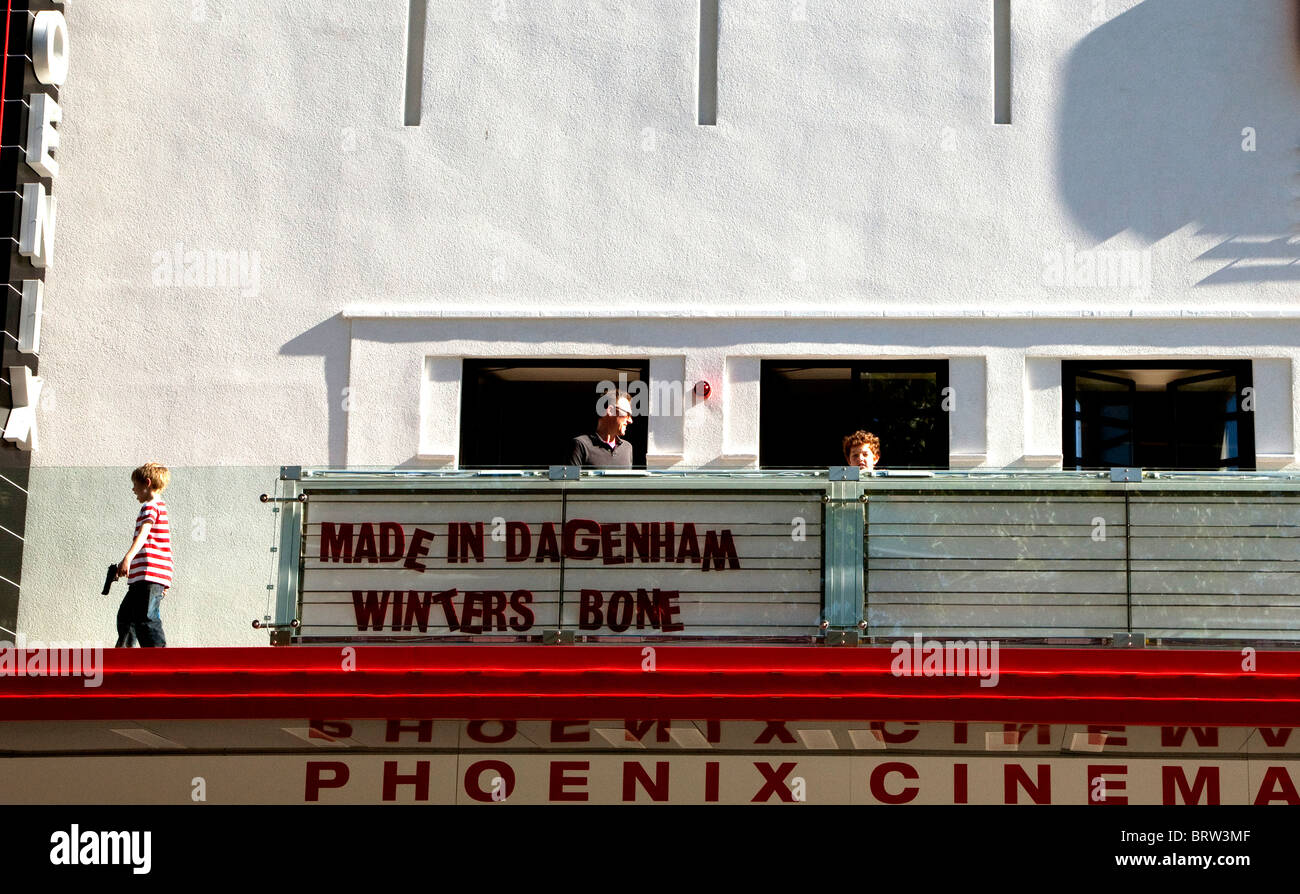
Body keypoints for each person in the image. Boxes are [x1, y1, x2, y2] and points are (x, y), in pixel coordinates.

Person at [114, 462, 173, 647]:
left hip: (150, 575)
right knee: (127, 616)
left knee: (146, 618)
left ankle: (158, 658)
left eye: (135, 485)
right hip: (144, 577)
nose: (133, 489)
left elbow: (144, 534)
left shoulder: (151, 506)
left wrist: (128, 558)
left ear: (147, 483)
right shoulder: (156, 507)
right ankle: (124, 655)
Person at [570, 389, 634, 467]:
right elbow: (570, 479)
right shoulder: (581, 445)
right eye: (627, 414)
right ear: (610, 410)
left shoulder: (627, 448)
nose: (630, 420)